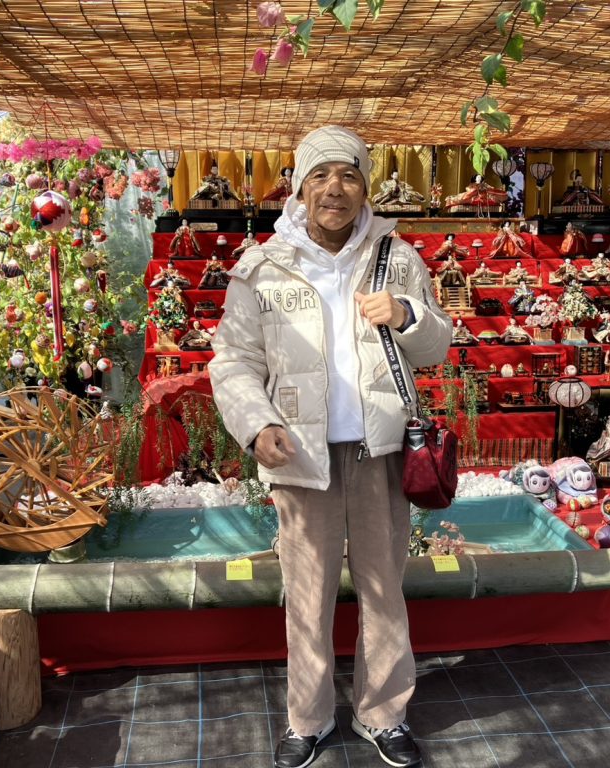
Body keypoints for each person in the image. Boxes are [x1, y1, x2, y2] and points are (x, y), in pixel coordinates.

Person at [209, 125, 451, 768]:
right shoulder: (262, 267)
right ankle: (308, 718)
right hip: (300, 457)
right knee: (307, 596)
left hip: (381, 453)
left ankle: (384, 714)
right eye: (319, 175)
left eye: (347, 175)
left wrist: (407, 315)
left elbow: (437, 345)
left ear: (365, 187)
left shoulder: (398, 258)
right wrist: (256, 424)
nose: (334, 189)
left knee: (384, 591)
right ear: (299, 187)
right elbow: (232, 360)